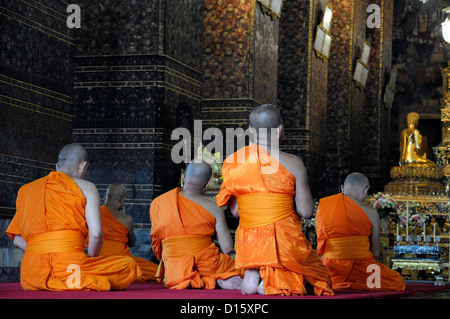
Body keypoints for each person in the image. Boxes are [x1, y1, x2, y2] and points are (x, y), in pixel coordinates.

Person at [216, 104, 333, 296]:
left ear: (251, 131)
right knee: (318, 277)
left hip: (249, 241)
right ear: (280, 130)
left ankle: (253, 274)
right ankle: (270, 281)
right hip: (285, 240)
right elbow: (306, 212)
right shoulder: (294, 163)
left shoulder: (232, 162)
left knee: (257, 240)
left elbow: (236, 212)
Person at [6, 144, 141, 291]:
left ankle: (58, 279)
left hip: (31, 276)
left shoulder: (26, 190)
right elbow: (96, 235)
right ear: (83, 166)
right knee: (128, 265)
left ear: (57, 166)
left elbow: (18, 240)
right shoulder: (86, 187)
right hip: (72, 268)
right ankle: (78, 279)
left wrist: (40, 252)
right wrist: (90, 260)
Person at [150, 160, 243, 290]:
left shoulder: (158, 203)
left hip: (174, 269)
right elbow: (227, 247)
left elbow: (156, 242)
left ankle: (207, 280)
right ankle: (216, 278)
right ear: (207, 185)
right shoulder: (213, 207)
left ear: (184, 177)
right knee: (244, 269)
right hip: (207, 265)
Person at [315, 172, 405, 291]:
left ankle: (333, 282)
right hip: (363, 269)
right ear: (366, 189)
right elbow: (376, 251)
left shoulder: (325, 206)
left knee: (315, 278)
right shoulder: (371, 212)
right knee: (396, 282)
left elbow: (321, 241)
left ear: (342, 187)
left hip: (331, 270)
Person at [99, 183, 158, 281]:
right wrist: (124, 216)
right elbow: (131, 243)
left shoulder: (93, 214)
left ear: (105, 195)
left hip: (97, 260)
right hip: (121, 260)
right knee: (156, 271)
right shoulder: (127, 220)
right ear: (122, 200)